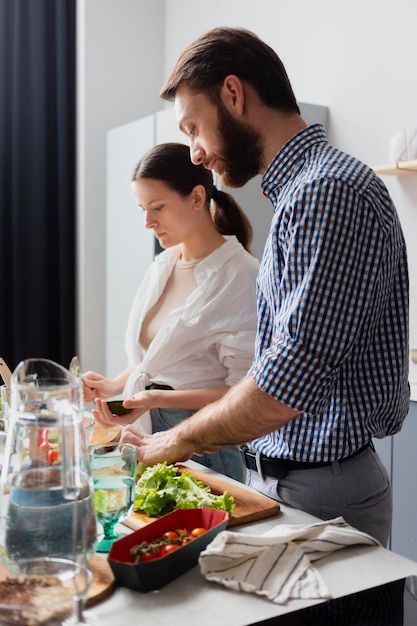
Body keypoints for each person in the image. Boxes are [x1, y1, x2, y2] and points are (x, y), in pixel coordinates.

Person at [120, 28, 409, 551]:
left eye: (194, 128)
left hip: (325, 487)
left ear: (234, 94)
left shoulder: (326, 191)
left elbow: (289, 377)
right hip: (295, 477)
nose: (196, 151)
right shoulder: (302, 193)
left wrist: (172, 440)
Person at [82, 141, 259, 482]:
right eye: (142, 209)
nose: (148, 222)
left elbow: (244, 392)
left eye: (157, 207)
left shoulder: (242, 276)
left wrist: (154, 398)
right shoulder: (162, 265)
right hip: (149, 439)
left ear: (196, 198)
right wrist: (112, 386)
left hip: (203, 448)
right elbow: (155, 362)